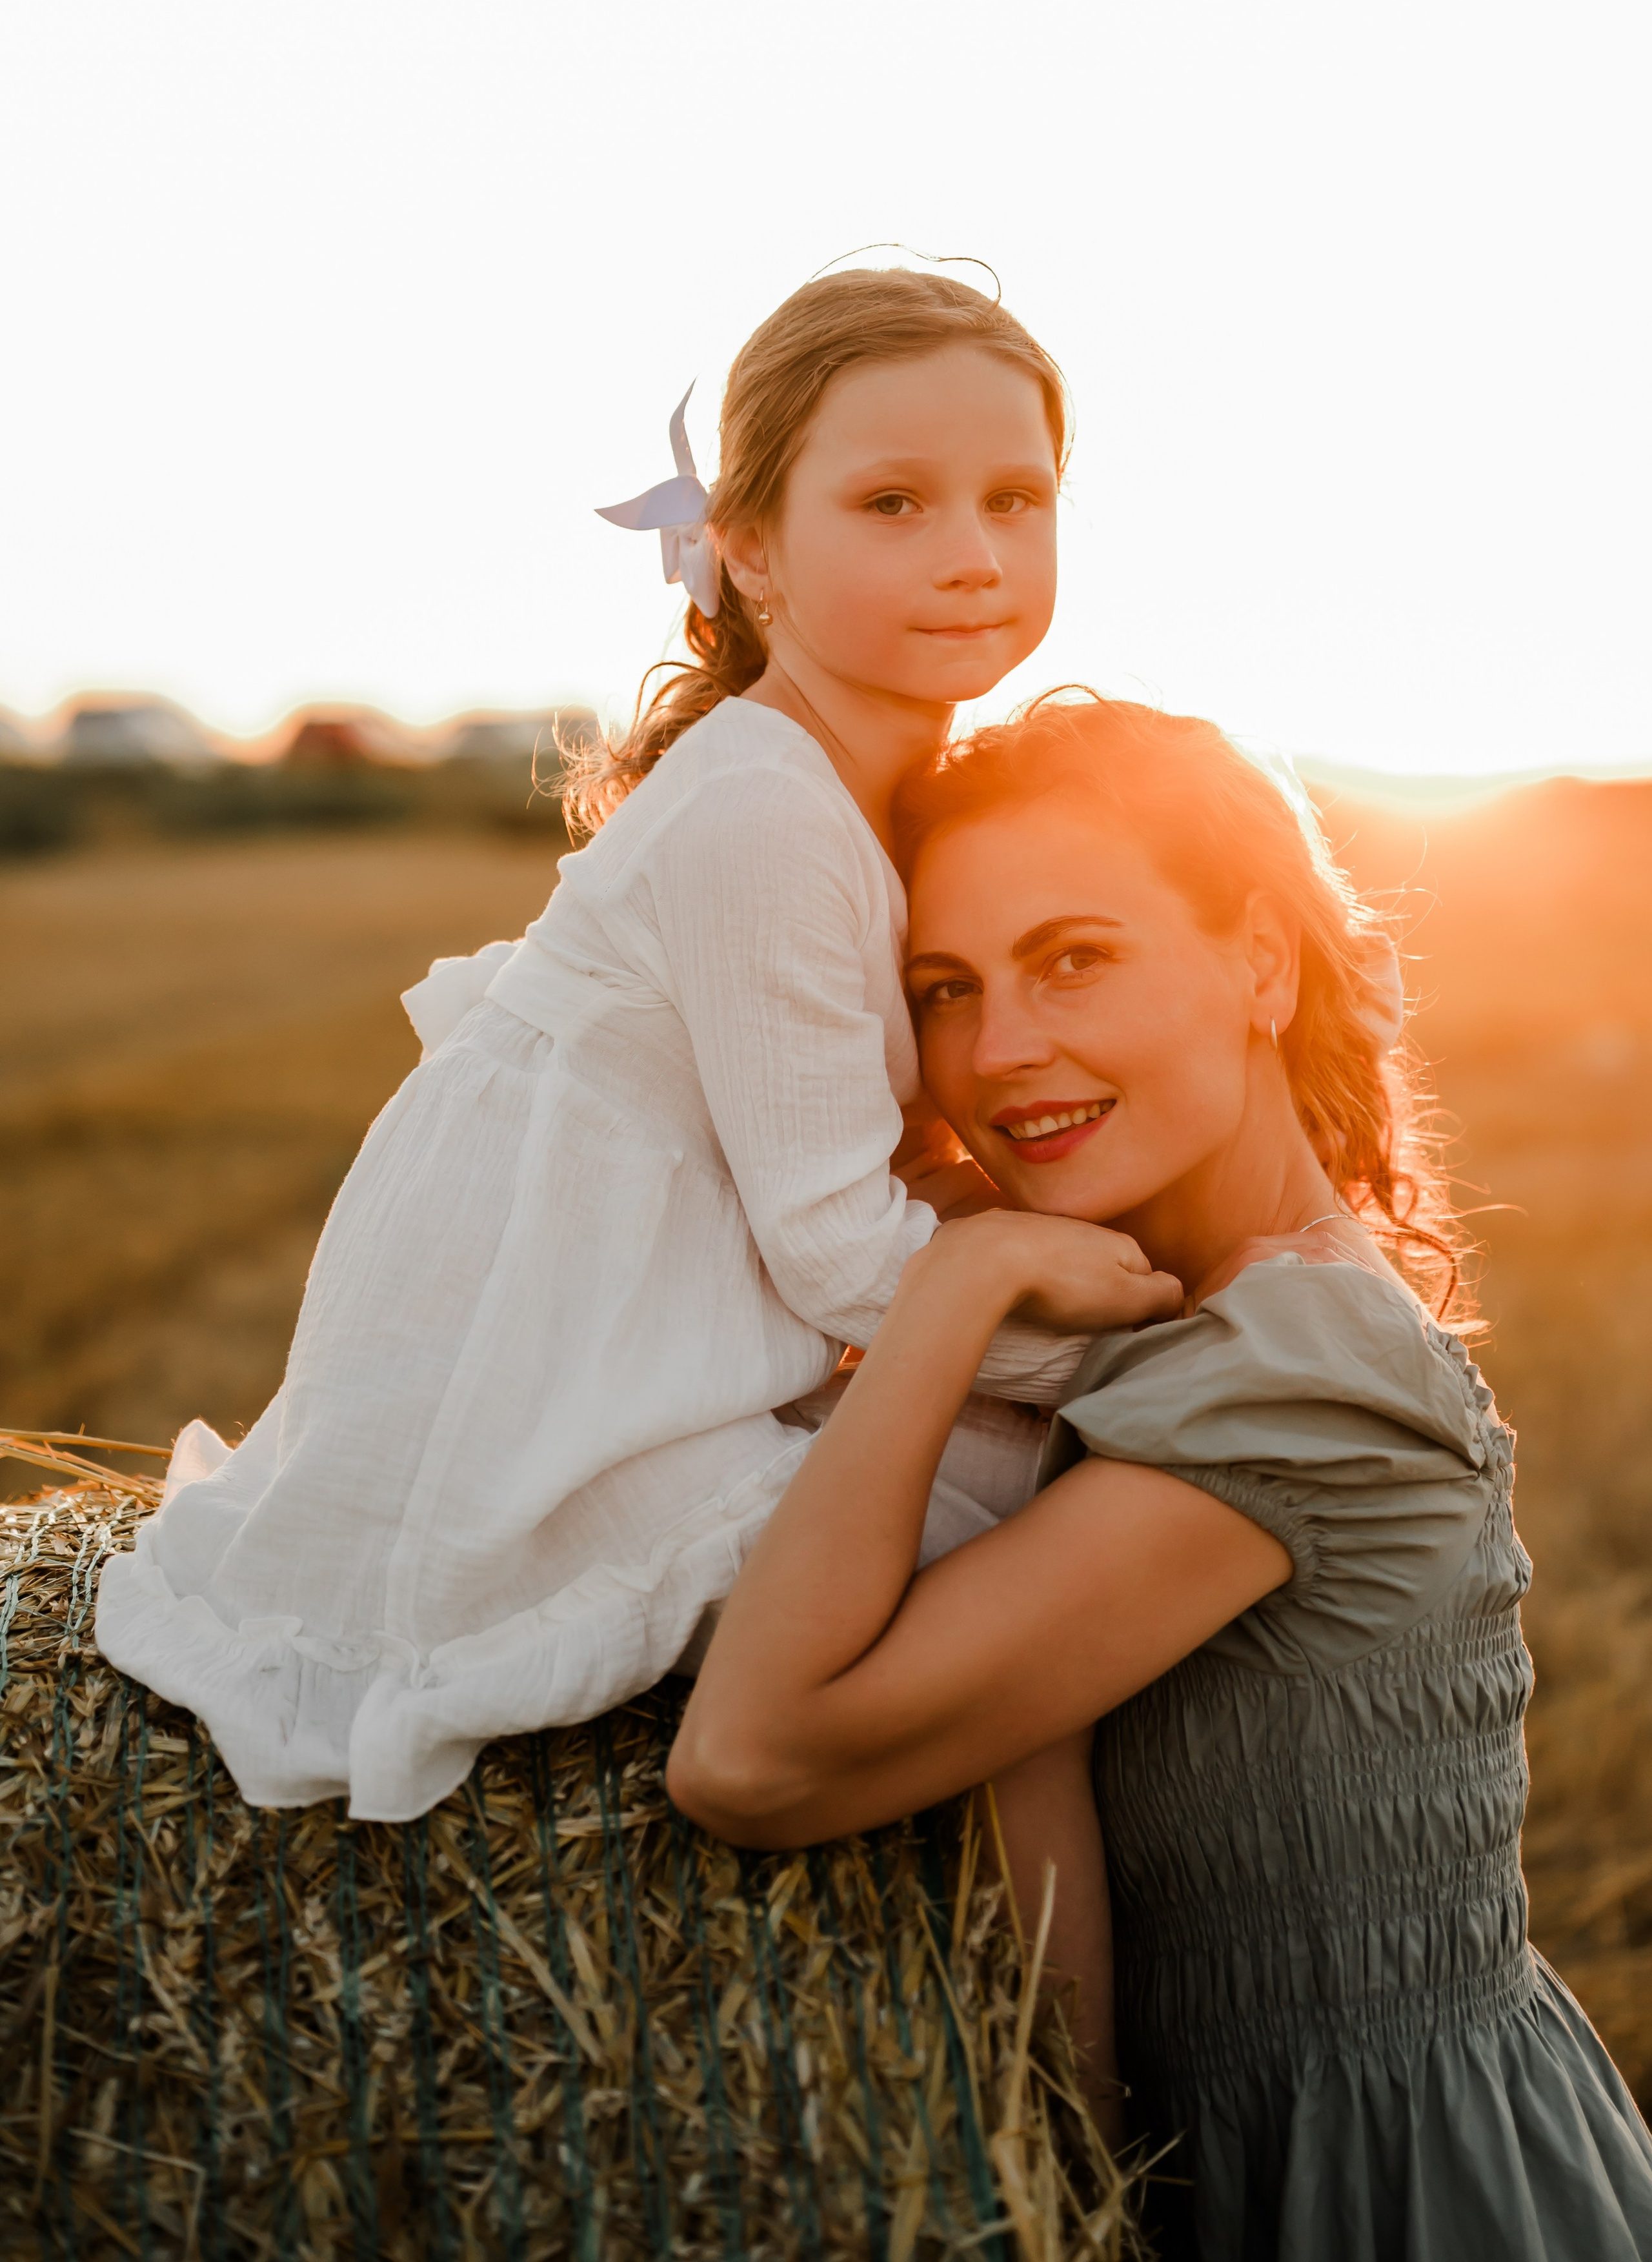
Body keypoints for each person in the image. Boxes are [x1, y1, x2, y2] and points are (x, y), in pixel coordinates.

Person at [96, 268, 1179, 1824]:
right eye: (891, 503)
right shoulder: (763, 809)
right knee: (1013, 1616)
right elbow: (838, 1253)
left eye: (1014, 498)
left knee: (1036, 1515)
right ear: (748, 547)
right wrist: (1138, 1356)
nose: (971, 554)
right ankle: (1066, 1999)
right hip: (556, 1415)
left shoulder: (852, 792)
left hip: (648, 1348)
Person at [667, 695, 1652, 2261]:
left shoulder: (1297, 1366)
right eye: (944, 988)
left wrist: (941, 1296)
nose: (1000, 1051)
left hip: (1382, 2186)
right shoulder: (1168, 1322)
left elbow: (751, 1757)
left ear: (1259, 961)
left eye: (1073, 958)